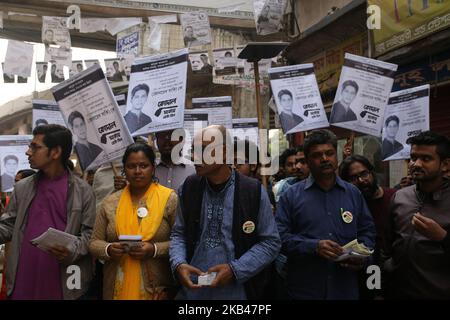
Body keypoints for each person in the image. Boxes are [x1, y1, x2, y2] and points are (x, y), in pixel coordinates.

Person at [170, 125, 281, 299]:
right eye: (193, 150)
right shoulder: (189, 187)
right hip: (191, 291)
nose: (193, 157)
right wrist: (178, 264)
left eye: (202, 150)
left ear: (224, 152)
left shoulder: (252, 191)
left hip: (236, 292)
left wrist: (234, 270)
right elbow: (178, 233)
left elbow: (271, 243)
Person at [276, 129, 376, 299]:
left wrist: (361, 257)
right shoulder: (290, 196)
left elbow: (368, 231)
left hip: (345, 289)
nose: (324, 159)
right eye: (317, 155)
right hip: (305, 291)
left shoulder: (353, 193)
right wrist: (313, 247)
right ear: (307, 160)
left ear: (336, 155)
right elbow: (279, 238)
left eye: (329, 153)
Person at [0, 124, 96, 299]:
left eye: (35, 147)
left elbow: (90, 235)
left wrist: (72, 251)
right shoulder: (22, 188)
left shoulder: (83, 191)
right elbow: (7, 226)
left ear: (55, 152)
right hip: (24, 279)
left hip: (62, 280)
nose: (28, 152)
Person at [89, 143, 178, 300]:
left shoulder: (169, 199)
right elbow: (94, 242)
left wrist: (154, 249)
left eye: (143, 166)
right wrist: (109, 249)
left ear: (153, 168)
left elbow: (181, 241)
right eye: (131, 166)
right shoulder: (110, 203)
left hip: (156, 290)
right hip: (116, 287)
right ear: (124, 169)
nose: (137, 171)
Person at [383, 131, 450, 299]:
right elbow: (384, 249)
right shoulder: (400, 196)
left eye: (426, 159)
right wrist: (376, 290)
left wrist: (442, 237)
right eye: (413, 157)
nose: (416, 164)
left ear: (445, 164)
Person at [339, 155, 396, 299]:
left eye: (364, 174)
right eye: (353, 178)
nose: (361, 181)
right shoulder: (349, 206)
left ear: (372, 172)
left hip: (393, 266)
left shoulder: (394, 197)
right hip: (363, 267)